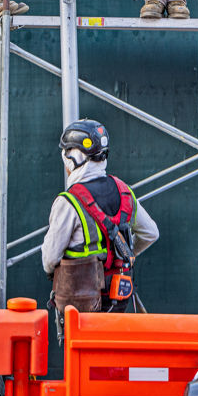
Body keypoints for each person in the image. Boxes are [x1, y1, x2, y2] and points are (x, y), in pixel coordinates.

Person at [41, 119, 159, 328]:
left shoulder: (68, 202)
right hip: (119, 298)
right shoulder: (124, 191)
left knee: (83, 358)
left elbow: (50, 259)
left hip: (82, 306)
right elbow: (151, 233)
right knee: (115, 354)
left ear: (73, 158)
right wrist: (125, 257)